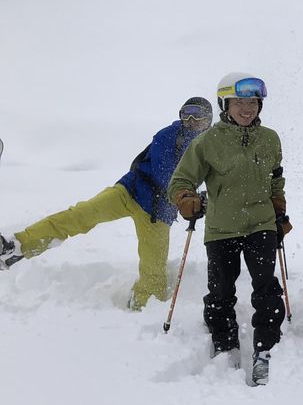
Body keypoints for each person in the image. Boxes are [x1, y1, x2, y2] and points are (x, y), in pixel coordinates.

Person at [0, 97, 213, 309]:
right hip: (130, 192)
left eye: (199, 115)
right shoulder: (169, 135)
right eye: (187, 114)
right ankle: (17, 246)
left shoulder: (210, 148)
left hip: (157, 214)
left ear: (209, 120)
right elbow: (164, 174)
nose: (192, 119)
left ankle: (141, 312)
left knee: (154, 277)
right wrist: (188, 198)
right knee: (80, 215)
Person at [168, 73, 288, 386]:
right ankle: (225, 346)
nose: (247, 109)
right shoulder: (207, 142)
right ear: (225, 104)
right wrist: (187, 199)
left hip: (261, 224)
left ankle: (266, 350)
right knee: (221, 292)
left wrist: (279, 211)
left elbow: (276, 179)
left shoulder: (271, 138)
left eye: (252, 102)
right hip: (222, 227)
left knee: (266, 288)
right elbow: (181, 181)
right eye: (239, 102)